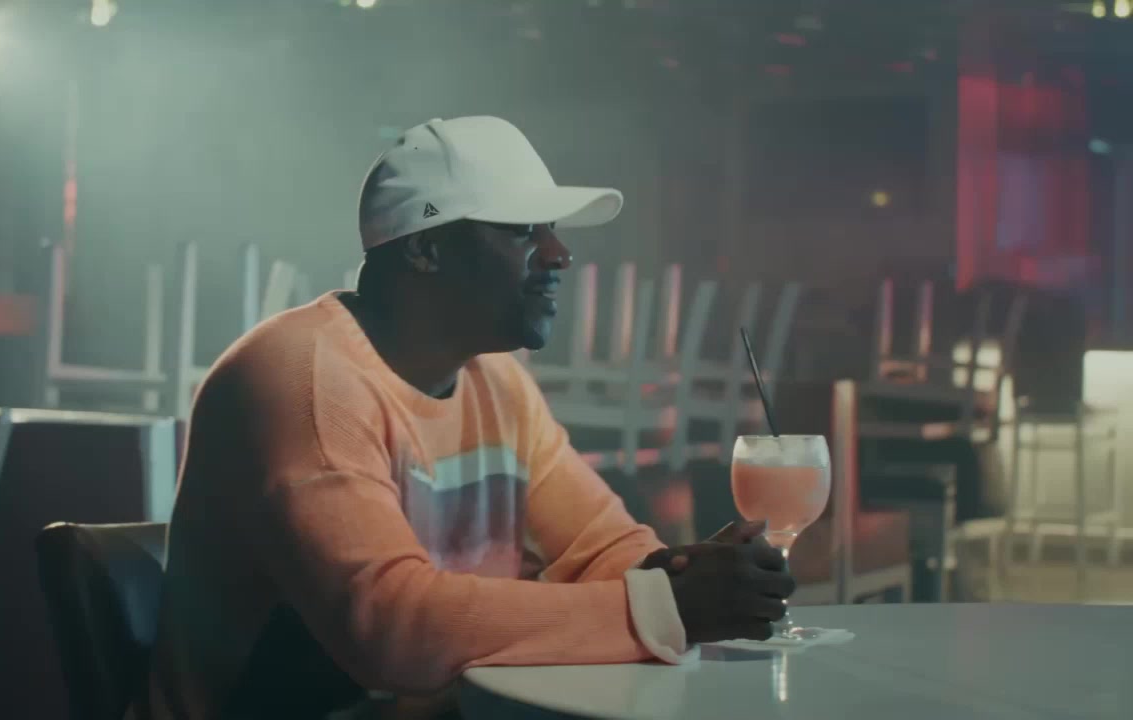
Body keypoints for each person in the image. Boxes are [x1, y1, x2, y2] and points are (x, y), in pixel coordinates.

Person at [138, 116, 795, 720]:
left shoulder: (496, 382)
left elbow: (599, 547)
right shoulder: (301, 379)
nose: (559, 254)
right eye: (523, 230)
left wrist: (685, 574)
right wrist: (662, 605)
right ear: (426, 249)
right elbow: (391, 627)